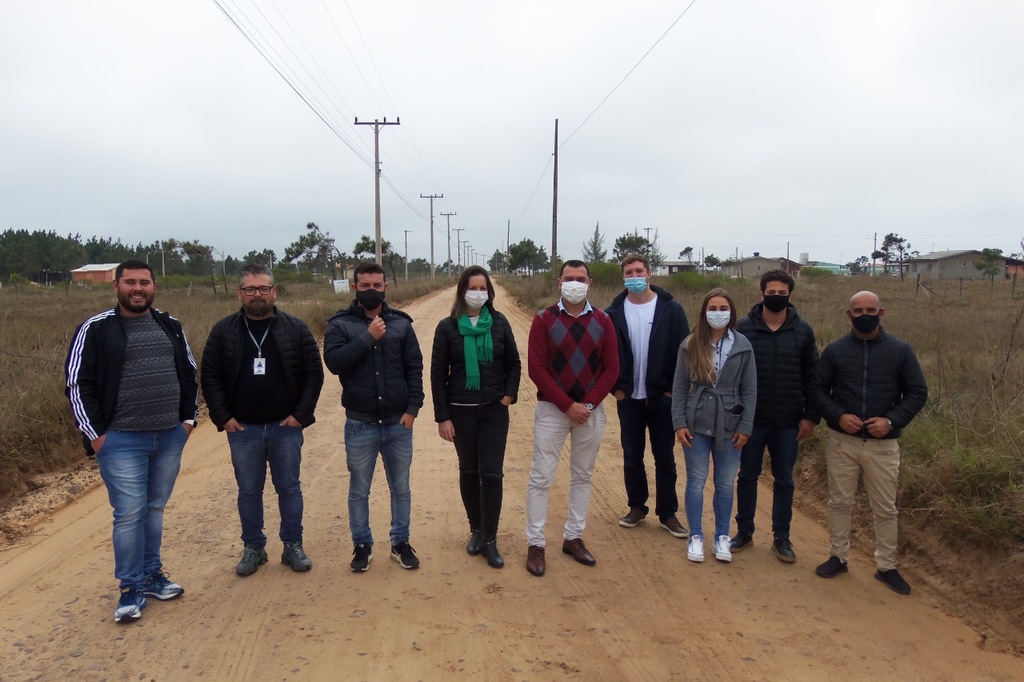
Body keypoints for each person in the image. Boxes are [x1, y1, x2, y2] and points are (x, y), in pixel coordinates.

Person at [64, 260, 198, 624]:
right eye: (130, 282)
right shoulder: (96, 328)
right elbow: (77, 384)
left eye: (144, 282)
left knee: (154, 509)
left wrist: (188, 421)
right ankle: (130, 588)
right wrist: (96, 437)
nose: (137, 288)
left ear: (154, 286)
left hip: (169, 435)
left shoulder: (170, 325)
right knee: (128, 514)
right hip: (120, 441)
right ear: (116, 285)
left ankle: (152, 576)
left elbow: (189, 372)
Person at [201, 264, 324, 577]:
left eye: (264, 289)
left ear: (274, 292)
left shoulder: (296, 329)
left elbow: (313, 374)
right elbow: (210, 377)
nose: (257, 294)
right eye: (250, 289)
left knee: (289, 489)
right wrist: (223, 417)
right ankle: (254, 547)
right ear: (240, 294)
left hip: (285, 428)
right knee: (248, 492)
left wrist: (300, 415)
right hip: (243, 430)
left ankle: (293, 545)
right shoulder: (223, 331)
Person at [809, 290, 927, 595]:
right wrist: (838, 416)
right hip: (842, 442)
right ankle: (838, 556)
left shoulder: (900, 351)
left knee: (885, 508)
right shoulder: (835, 351)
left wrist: (891, 421)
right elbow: (817, 390)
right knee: (839, 502)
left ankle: (887, 566)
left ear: (881, 313)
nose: (865, 315)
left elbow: (917, 392)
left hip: (883, 445)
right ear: (849, 315)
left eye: (870, 310)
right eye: (858, 310)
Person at [324, 261, 424, 572]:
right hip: (360, 424)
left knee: (401, 488)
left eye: (377, 285)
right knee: (359, 490)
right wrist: (368, 337)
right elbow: (335, 363)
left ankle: (400, 542)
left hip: (398, 423)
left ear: (385, 287)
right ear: (354, 287)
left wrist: (412, 410)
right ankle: (362, 545)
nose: (371, 291)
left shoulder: (401, 324)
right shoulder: (340, 324)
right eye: (365, 286)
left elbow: (414, 368)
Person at [525, 260, 619, 577]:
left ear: (589, 283)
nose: (574, 283)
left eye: (580, 278)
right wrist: (568, 405)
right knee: (541, 477)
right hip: (552, 410)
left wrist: (588, 404)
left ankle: (573, 537)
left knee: (583, 475)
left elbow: (612, 368)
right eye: (569, 278)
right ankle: (536, 543)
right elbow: (537, 369)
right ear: (559, 282)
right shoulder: (543, 319)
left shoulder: (603, 321)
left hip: (590, 411)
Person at [430, 266, 521, 569]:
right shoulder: (447, 327)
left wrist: (507, 396)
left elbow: (513, 363)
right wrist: (443, 417)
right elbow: (437, 375)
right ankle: (477, 529)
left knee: (492, 474)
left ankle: (491, 539)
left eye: (483, 288)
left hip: (494, 411)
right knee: (469, 471)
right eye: (473, 287)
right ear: (462, 291)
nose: (478, 293)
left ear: (489, 293)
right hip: (461, 411)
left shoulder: (499, 322)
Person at [731, 270, 819, 563]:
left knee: (784, 480)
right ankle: (744, 531)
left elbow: (813, 377)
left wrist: (811, 416)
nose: (776, 297)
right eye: (771, 293)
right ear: (762, 294)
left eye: (782, 293)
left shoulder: (803, 331)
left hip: (788, 421)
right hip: (751, 421)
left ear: (790, 295)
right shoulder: (744, 329)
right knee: (747, 476)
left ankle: (782, 537)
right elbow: (732, 375)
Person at [605, 253, 690, 539]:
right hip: (628, 398)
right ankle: (637, 507)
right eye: (629, 272)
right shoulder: (613, 312)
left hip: (661, 398)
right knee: (632, 455)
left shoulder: (670, 309)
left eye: (639, 271)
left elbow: (684, 351)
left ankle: (667, 513)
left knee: (665, 458)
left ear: (649, 274)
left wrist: (672, 390)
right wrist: (616, 389)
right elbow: (605, 354)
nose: (634, 277)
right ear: (623, 277)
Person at [671, 288, 756, 564]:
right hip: (696, 420)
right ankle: (696, 535)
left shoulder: (742, 345)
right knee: (696, 481)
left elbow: (750, 389)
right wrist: (679, 422)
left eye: (723, 308)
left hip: (731, 421)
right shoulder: (690, 344)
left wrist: (746, 426)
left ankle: (722, 536)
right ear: (704, 311)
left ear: (731, 312)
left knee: (725, 483)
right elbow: (679, 387)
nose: (718, 313)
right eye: (712, 308)